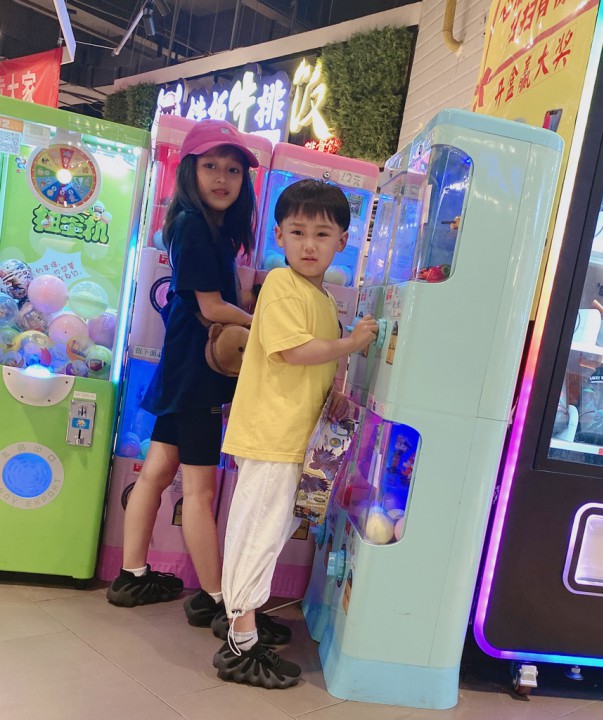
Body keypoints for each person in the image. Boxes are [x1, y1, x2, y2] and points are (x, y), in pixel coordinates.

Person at [212, 179, 378, 689]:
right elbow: (292, 350)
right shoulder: (284, 285)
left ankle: (243, 620)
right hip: (273, 433)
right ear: (279, 236)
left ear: (342, 241)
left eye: (322, 234)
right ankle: (240, 643)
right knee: (259, 534)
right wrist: (351, 344)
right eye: (298, 232)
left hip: (291, 435)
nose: (309, 244)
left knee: (267, 530)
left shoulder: (317, 295)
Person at [107, 119, 255, 631]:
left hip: (182, 369)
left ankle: (131, 575)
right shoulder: (195, 227)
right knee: (200, 491)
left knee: (155, 473)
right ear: (190, 170)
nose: (222, 177)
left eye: (233, 170)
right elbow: (211, 308)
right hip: (198, 376)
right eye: (210, 165)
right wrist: (263, 324)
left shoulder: (201, 226)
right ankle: (215, 599)